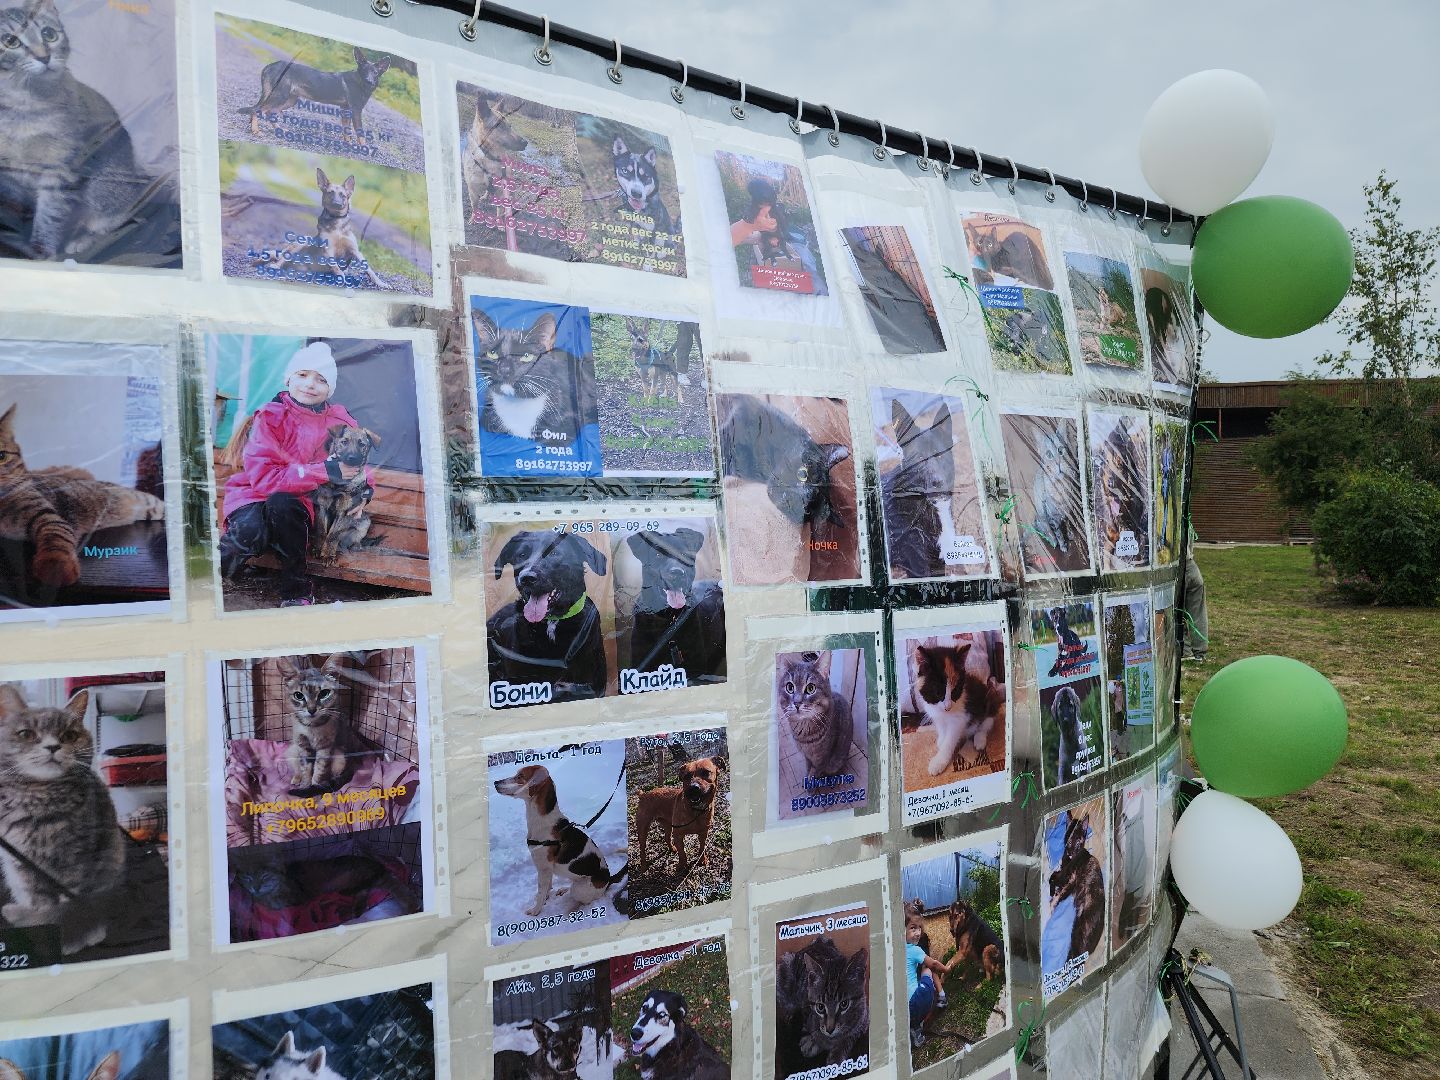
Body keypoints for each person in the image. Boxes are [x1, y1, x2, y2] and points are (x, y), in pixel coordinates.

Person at [218, 342, 369, 607]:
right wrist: (325, 470)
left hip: (298, 506)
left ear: (330, 388)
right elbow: (265, 478)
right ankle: (210, 579)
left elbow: (357, 461)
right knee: (250, 529)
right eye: (302, 375)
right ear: (288, 378)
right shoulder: (271, 417)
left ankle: (295, 589)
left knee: (283, 502)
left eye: (321, 380)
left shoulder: (339, 422)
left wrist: (366, 493)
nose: (310, 384)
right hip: (253, 494)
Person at [904, 916, 952, 1049]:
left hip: (902, 1010)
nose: (918, 932)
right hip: (916, 1003)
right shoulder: (914, 950)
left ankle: (914, 1029)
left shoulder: (893, 950)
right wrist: (947, 969)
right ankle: (941, 998)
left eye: (920, 928)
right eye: (913, 928)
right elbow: (934, 964)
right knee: (928, 969)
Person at [1181, 552, 1208, 662]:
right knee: (1198, 613)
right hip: (1192, 567)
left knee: (1175, 613)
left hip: (1178, 569)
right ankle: (1200, 652)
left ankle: (1186, 651)